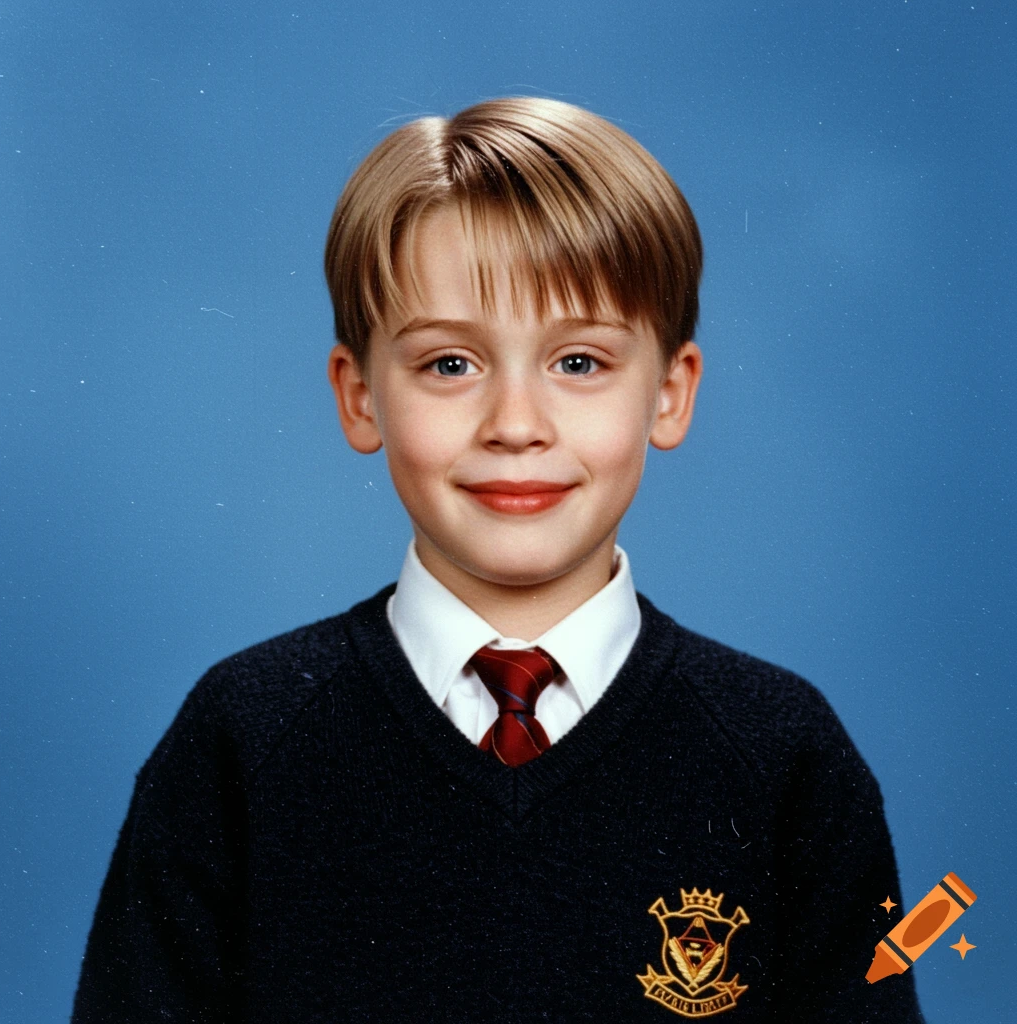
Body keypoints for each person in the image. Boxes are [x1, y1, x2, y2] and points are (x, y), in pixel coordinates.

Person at [72, 97, 925, 1022]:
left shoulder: (779, 752)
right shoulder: (244, 738)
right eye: (449, 365)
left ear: (671, 395)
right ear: (359, 397)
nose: (516, 425)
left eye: (579, 362)